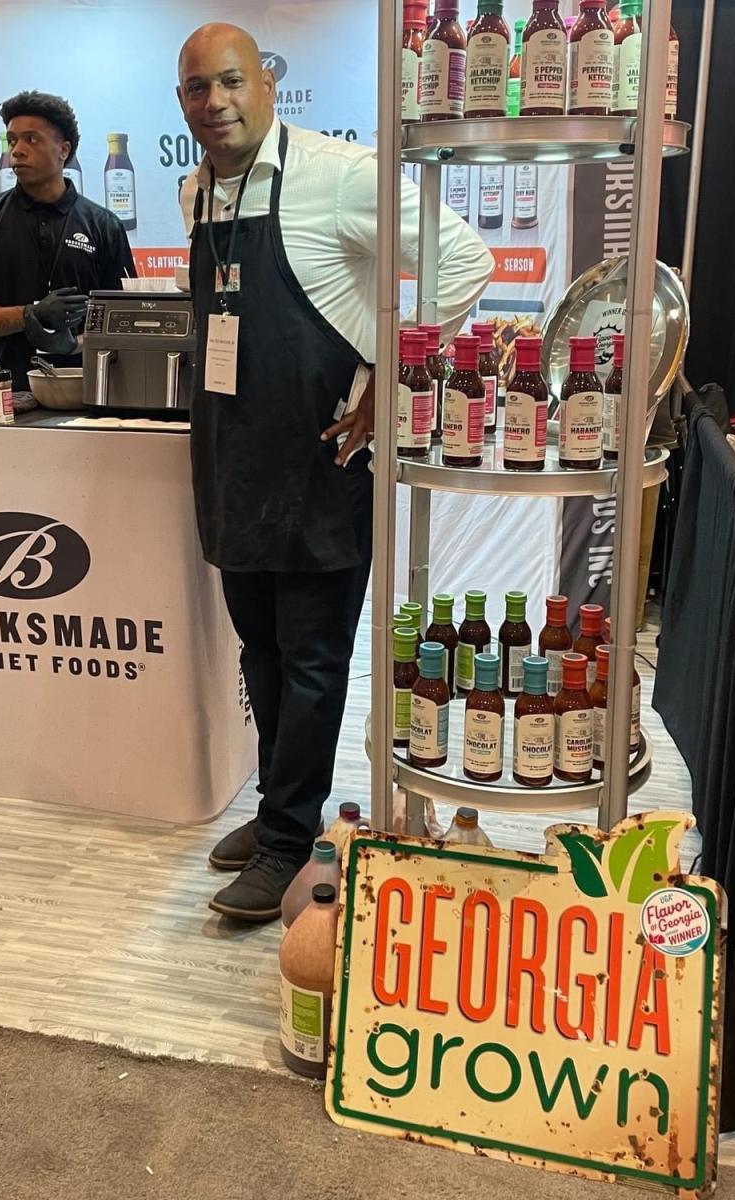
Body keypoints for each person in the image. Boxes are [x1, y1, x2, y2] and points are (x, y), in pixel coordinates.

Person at [177, 23, 493, 921]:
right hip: (235, 457)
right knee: (262, 654)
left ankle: (287, 844)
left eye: (231, 82)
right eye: (198, 89)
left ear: (268, 85)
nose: (216, 103)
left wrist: (384, 372)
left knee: (313, 661)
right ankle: (286, 810)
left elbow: (463, 258)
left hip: (320, 459)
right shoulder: (196, 189)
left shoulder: (338, 173)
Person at [0, 91, 137, 390]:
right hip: (7, 394)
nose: (17, 151)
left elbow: (124, 321)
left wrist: (73, 345)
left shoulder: (104, 226)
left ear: (63, 150)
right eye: (12, 141)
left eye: (31, 139)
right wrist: (30, 314)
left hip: (89, 391)